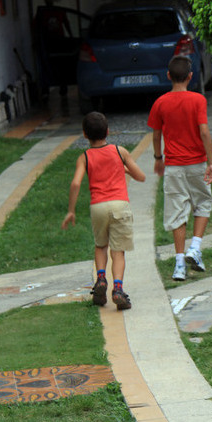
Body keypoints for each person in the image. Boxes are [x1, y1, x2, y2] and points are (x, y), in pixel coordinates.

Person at [62, 111, 146, 310]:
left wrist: (71, 210)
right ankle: (117, 289)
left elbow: (75, 183)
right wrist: (124, 168)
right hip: (120, 205)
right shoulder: (120, 151)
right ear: (108, 131)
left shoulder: (84, 157)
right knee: (118, 251)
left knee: (101, 246)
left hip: (98, 207)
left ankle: (101, 279)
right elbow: (141, 176)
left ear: (84, 134)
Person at [147, 55, 212, 281]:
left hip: (174, 166)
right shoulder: (198, 100)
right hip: (197, 163)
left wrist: (159, 157)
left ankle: (179, 265)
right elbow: (204, 131)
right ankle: (195, 248)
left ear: (168, 76)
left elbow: (156, 134)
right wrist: (211, 161)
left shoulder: (160, 103)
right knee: (203, 202)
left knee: (177, 211)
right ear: (190, 77)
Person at [34, 0, 73, 99]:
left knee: (61, 65)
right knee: (46, 65)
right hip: (47, 42)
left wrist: (70, 35)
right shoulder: (42, 12)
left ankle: (63, 87)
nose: (48, 0)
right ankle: (46, 89)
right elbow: (37, 26)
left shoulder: (59, 10)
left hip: (59, 41)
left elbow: (66, 22)